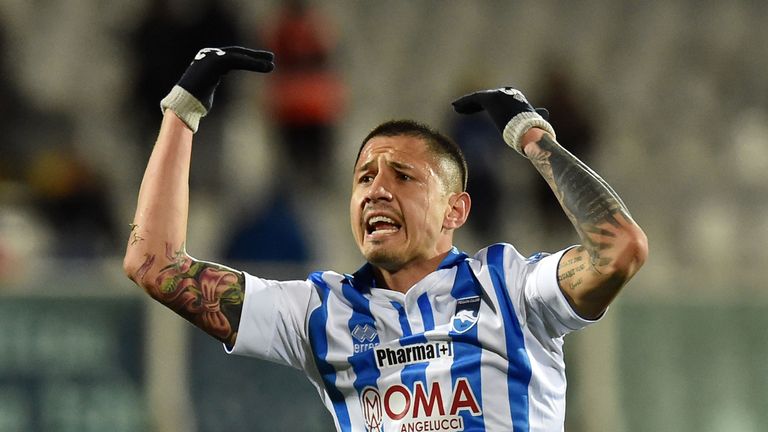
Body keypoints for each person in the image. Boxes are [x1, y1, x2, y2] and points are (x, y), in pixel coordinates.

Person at [123, 47, 648, 431]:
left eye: (403, 176)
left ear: (456, 209)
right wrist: (182, 111)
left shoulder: (512, 286)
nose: (376, 190)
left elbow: (619, 249)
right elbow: (155, 266)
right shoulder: (319, 312)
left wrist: (532, 138)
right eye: (364, 177)